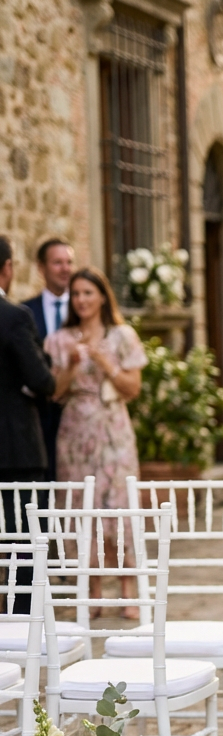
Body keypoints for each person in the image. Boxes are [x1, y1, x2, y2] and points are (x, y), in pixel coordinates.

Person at [45, 267, 147, 616]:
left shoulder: (121, 336)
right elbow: (54, 393)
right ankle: (92, 590)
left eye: (88, 293)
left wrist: (105, 362)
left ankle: (127, 587)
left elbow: (133, 389)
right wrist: (72, 366)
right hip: (75, 430)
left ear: (102, 295)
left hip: (112, 426)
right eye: (76, 294)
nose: (82, 300)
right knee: (79, 503)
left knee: (118, 501)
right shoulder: (61, 338)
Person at [0, 235, 73, 613]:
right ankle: (20, 619)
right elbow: (43, 381)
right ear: (8, 268)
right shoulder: (15, 317)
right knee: (24, 538)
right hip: (16, 448)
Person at [23, 238, 74, 480]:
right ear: (41, 267)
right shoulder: (25, 312)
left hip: (75, 414)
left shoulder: (83, 307)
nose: (65, 268)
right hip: (39, 415)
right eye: (57, 263)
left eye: (69, 262)